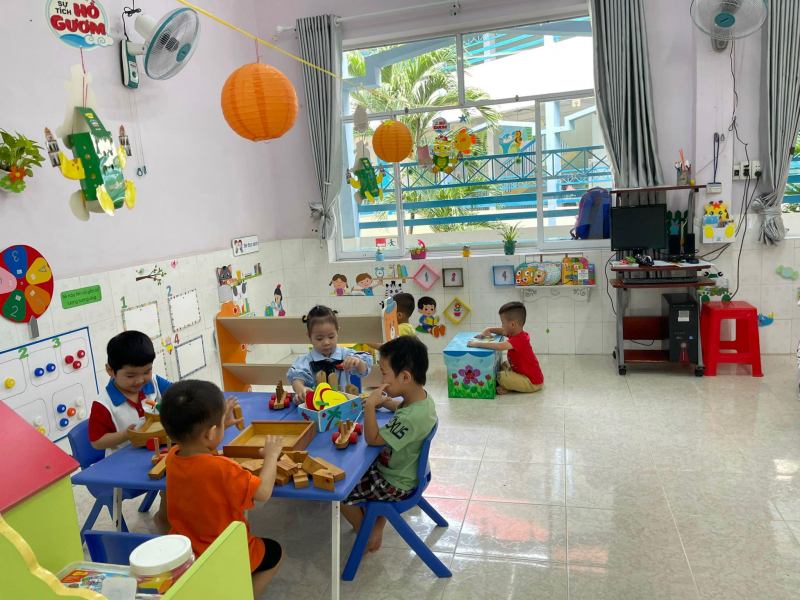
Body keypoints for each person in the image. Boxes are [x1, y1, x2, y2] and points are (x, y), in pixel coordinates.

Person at [160, 380, 284, 598]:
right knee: (275, 553)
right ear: (209, 434)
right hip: (224, 551)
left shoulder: (172, 457)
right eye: (219, 424)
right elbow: (263, 492)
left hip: (187, 550)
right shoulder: (223, 468)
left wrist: (219, 426)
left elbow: (198, 449)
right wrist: (272, 456)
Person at [341, 336, 437, 553]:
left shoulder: (409, 418)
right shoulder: (421, 400)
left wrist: (370, 407)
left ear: (405, 377)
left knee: (342, 491)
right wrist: (386, 402)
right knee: (356, 469)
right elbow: (401, 408)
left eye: (384, 373)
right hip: (409, 470)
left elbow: (373, 438)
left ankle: (367, 533)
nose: (381, 378)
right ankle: (377, 516)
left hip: (395, 483)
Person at [87, 330, 172, 530]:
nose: (140, 380)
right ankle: (165, 519)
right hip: (122, 468)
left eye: (146, 371)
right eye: (131, 375)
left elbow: (178, 394)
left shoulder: (154, 383)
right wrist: (126, 434)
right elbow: (97, 442)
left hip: (153, 454)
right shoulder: (104, 404)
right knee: (175, 477)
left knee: (186, 469)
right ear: (110, 370)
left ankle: (171, 515)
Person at [287, 305, 372, 402]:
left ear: (337, 332)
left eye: (331, 337)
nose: (326, 342)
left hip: (343, 403)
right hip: (318, 405)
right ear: (309, 336)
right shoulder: (307, 360)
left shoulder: (346, 354)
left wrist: (358, 362)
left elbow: (364, 370)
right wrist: (301, 389)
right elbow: (296, 378)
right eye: (319, 338)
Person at [468, 301, 544, 395]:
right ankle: (511, 384)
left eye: (503, 323)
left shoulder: (520, 339)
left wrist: (476, 344)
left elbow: (499, 346)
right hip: (520, 372)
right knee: (504, 365)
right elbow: (502, 331)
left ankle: (509, 387)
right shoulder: (516, 333)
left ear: (512, 325)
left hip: (532, 382)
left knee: (501, 376)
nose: (502, 325)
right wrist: (489, 329)